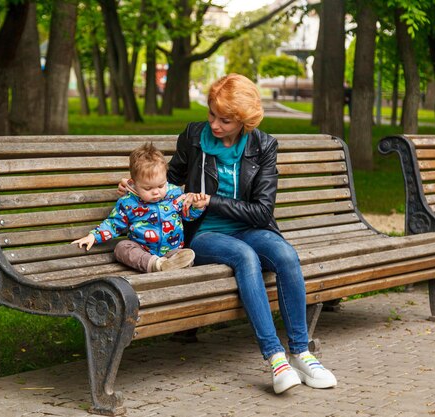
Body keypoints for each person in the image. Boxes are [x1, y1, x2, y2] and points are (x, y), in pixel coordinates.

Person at [119, 74, 337, 394]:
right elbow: (170, 179)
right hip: (204, 232)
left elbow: (262, 211)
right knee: (244, 257)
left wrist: (213, 201)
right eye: (212, 114)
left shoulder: (263, 146)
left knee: (286, 255)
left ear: (244, 120)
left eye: (225, 119)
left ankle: (301, 352)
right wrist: (134, 184)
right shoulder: (194, 136)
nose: (215, 125)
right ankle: (276, 358)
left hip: (250, 226)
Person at [72, 142, 208, 272]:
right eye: (148, 188)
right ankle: (157, 265)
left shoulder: (174, 194)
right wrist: (93, 236)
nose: (156, 192)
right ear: (134, 183)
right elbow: (114, 223)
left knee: (186, 255)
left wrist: (196, 207)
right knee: (121, 248)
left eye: (161, 186)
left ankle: (170, 264)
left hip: (171, 250)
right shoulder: (128, 203)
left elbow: (187, 215)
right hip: (142, 250)